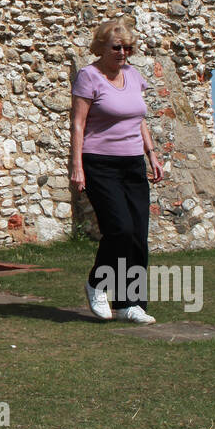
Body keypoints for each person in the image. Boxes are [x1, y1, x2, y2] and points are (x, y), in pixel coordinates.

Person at [70, 18, 164, 324]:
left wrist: (151, 154)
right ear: (101, 47)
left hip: (132, 162)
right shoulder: (89, 76)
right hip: (99, 163)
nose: (123, 53)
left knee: (137, 235)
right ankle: (97, 283)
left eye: (128, 48)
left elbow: (138, 118)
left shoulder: (133, 75)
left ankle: (130, 304)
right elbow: (78, 124)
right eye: (117, 47)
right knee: (119, 230)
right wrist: (76, 166)